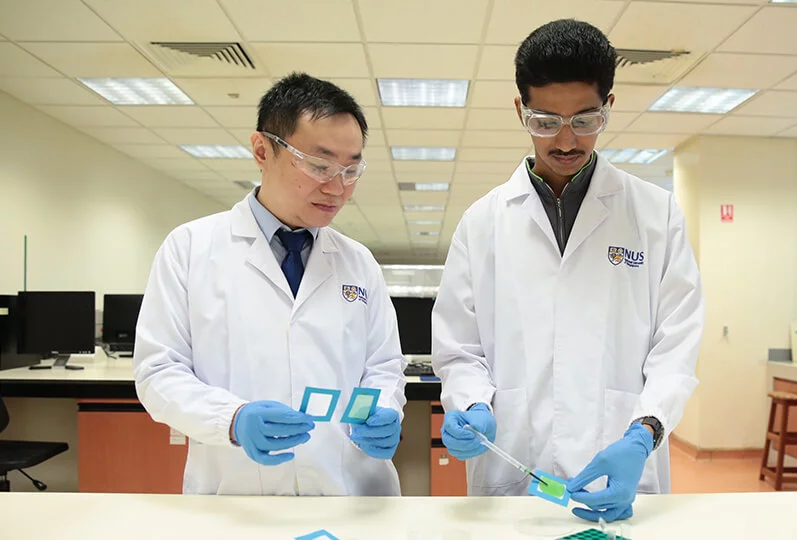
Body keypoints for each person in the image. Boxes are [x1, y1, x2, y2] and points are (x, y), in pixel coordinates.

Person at [432, 20, 704, 522]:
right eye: (544, 121)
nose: (564, 140)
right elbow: (459, 348)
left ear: (608, 107)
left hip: (623, 468)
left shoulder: (655, 215)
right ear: (521, 110)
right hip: (513, 472)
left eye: (584, 120)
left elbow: (676, 348)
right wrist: (470, 404)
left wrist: (645, 432)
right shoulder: (482, 222)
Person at [133, 73, 406, 496]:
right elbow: (158, 373)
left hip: (350, 495)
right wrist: (232, 420)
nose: (338, 188)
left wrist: (385, 408)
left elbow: (384, 366)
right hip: (237, 497)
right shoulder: (189, 248)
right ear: (262, 150)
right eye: (319, 166)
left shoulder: (358, 262)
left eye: (351, 170)